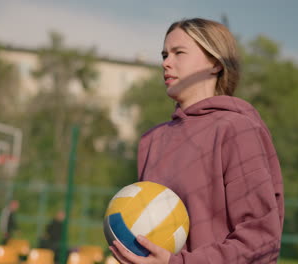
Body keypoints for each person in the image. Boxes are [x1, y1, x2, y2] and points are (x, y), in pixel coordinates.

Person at [109, 18, 284, 264]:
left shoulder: (237, 129)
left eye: (178, 53)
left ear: (214, 63)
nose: (166, 62)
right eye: (164, 55)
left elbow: (260, 241)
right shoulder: (152, 140)